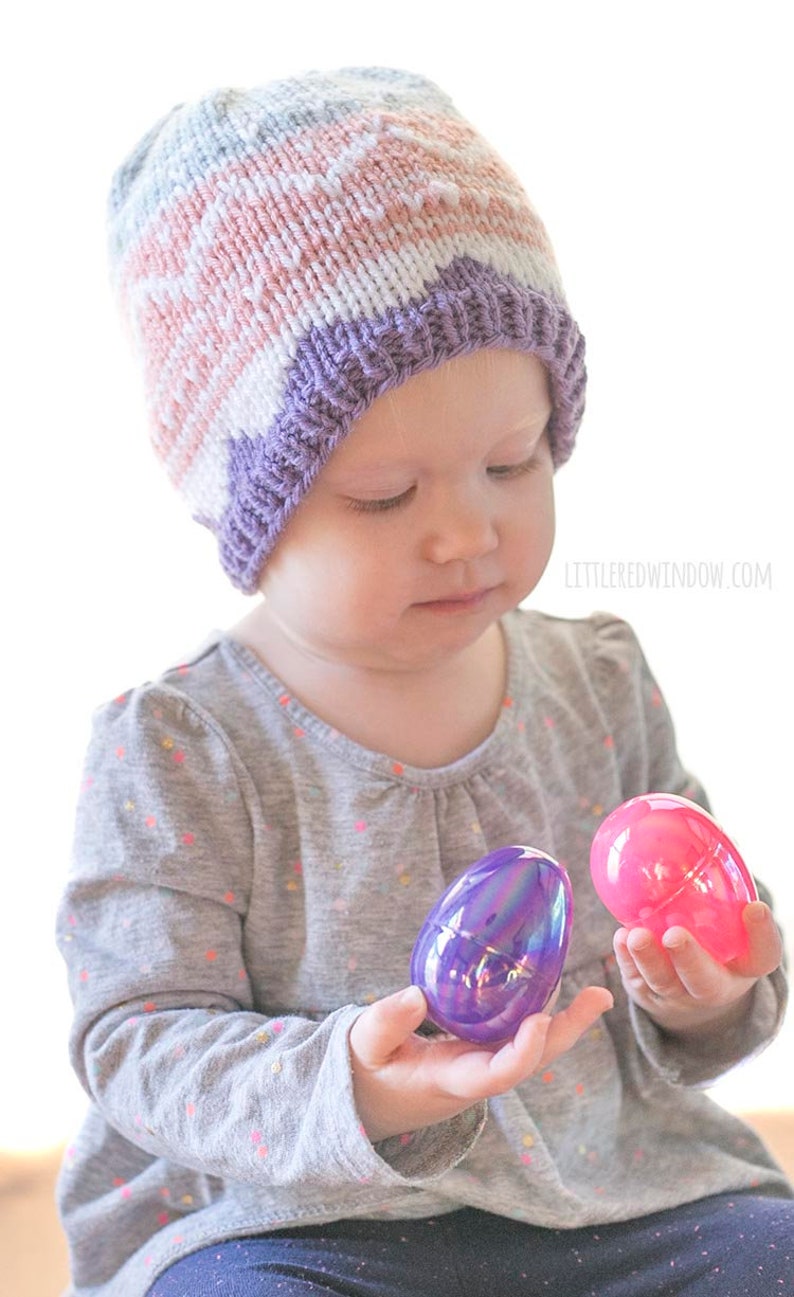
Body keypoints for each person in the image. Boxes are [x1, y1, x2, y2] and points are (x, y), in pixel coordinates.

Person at [56, 68, 792, 1296]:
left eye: (511, 463)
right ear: (249, 507)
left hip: (613, 1193)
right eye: (385, 498)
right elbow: (136, 1037)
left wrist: (705, 987)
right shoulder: (182, 744)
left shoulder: (596, 681)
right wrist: (347, 1078)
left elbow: (682, 950)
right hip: (305, 1218)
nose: (465, 533)